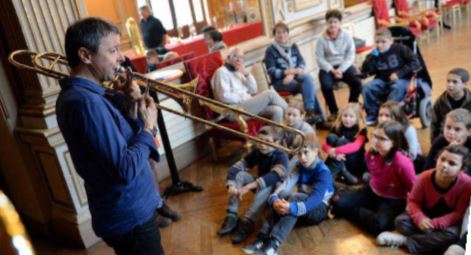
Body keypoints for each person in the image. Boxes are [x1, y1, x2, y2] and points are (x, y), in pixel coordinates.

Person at [57, 17, 164, 254]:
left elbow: (123, 139)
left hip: (132, 208)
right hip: (129, 214)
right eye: (113, 50)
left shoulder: (93, 95)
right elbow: (124, 168)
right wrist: (148, 127)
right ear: (85, 55)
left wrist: (132, 104)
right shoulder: (86, 103)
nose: (122, 58)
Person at [242, 134, 334, 255]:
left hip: (319, 209)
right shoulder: (299, 166)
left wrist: (292, 207)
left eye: (306, 152)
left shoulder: (323, 172)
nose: (302, 157)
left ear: (316, 151)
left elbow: (315, 199)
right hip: (304, 205)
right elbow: (284, 186)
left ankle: (273, 244)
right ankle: (262, 237)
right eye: (299, 154)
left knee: (294, 199)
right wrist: (275, 200)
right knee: (284, 200)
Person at [377, 145, 471, 254]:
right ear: (437, 159)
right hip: (424, 217)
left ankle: (407, 241)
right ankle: (431, 242)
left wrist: (434, 224)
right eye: (442, 159)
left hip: (446, 224)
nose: (444, 165)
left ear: (462, 169)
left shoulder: (467, 184)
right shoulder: (424, 177)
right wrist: (420, 218)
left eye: (452, 164)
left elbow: (458, 213)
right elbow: (413, 201)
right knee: (400, 221)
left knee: (453, 235)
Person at [332, 121, 416, 237]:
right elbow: (374, 177)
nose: (375, 141)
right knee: (338, 203)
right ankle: (355, 204)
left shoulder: (402, 162)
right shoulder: (370, 154)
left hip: (393, 199)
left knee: (379, 226)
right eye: (374, 136)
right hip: (372, 190)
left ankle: (352, 209)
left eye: (382, 139)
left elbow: (414, 188)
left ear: (394, 142)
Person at [217, 126, 290, 244]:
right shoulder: (257, 152)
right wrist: (231, 184)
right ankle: (232, 215)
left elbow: (273, 177)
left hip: (276, 191)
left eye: (268, 142)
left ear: (277, 143)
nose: (262, 145)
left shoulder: (281, 155)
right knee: (240, 175)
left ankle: (248, 221)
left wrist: (247, 187)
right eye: (260, 140)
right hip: (260, 184)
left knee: (265, 185)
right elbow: (236, 167)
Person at [264, 21, 325, 126]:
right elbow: (272, 72)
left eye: (284, 32)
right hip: (280, 81)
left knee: (308, 79)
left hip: (294, 76)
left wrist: (292, 73)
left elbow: (301, 62)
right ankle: (317, 116)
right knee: (307, 87)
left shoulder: (293, 46)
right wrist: (287, 72)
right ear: (274, 35)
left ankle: (310, 113)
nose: (282, 35)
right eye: (278, 33)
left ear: (288, 33)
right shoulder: (270, 50)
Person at [361, 28, 421, 125]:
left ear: (391, 41)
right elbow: (367, 71)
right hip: (382, 80)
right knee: (367, 88)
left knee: (397, 87)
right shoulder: (375, 54)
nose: (380, 45)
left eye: (383, 42)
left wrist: (399, 73)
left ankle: (387, 113)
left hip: (402, 79)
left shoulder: (400, 49)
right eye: (377, 42)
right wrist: (370, 58)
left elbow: (415, 62)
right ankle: (372, 114)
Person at [211, 47, 288, 123]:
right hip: (234, 110)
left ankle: (278, 134)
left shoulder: (238, 72)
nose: (238, 59)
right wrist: (245, 98)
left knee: (277, 110)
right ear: (228, 58)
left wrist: (247, 75)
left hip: (246, 106)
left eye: (241, 57)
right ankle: (293, 114)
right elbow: (224, 96)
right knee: (270, 94)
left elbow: (253, 90)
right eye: (235, 56)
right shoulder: (221, 72)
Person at [315, 9, 362, 121]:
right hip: (328, 68)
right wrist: (332, 70)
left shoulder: (346, 35)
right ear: (327, 24)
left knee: (357, 82)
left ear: (340, 23)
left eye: (335, 22)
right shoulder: (321, 39)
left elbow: (350, 55)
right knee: (326, 86)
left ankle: (351, 107)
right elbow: (319, 58)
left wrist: (341, 69)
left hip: (344, 66)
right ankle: (334, 111)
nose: (332, 25)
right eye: (330, 22)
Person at [322, 103, 367, 185]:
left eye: (351, 116)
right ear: (341, 116)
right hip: (338, 158)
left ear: (357, 118)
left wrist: (335, 150)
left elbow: (355, 147)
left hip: (354, 160)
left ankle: (332, 175)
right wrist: (331, 152)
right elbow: (324, 144)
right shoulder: (337, 126)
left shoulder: (361, 130)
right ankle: (342, 171)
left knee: (341, 141)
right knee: (331, 137)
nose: (347, 119)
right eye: (345, 116)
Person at [378, 101, 423, 171]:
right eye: (380, 115)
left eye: (387, 116)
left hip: (410, 160)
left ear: (396, 116)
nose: (382, 119)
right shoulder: (381, 129)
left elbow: (413, 155)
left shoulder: (408, 130)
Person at [424, 109, 471, 173]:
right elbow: (428, 168)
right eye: (448, 127)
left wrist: (456, 150)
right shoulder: (439, 142)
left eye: (457, 129)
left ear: (468, 131)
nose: (451, 132)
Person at [431, 68, 471, 142]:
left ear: (465, 84)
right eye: (448, 81)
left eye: (455, 82)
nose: (450, 84)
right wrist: (434, 142)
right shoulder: (440, 102)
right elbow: (434, 124)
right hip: (446, 138)